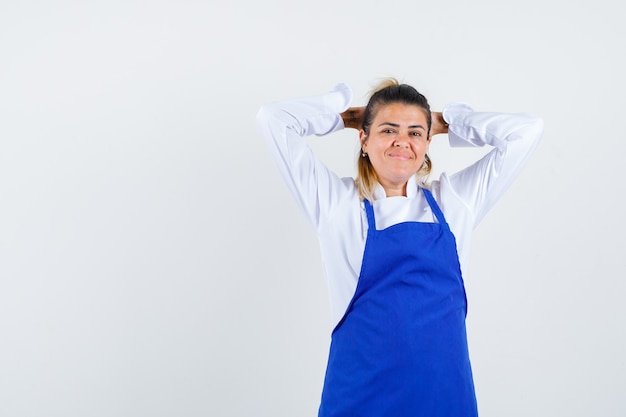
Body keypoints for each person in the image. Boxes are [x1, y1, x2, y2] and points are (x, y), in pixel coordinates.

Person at [256, 79, 543, 417]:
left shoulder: (454, 202)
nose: (401, 142)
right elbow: (273, 119)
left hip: (445, 399)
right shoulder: (337, 205)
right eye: (388, 130)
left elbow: (527, 131)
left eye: (415, 133)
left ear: (427, 142)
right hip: (359, 400)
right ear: (364, 139)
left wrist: (445, 122)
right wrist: (343, 114)